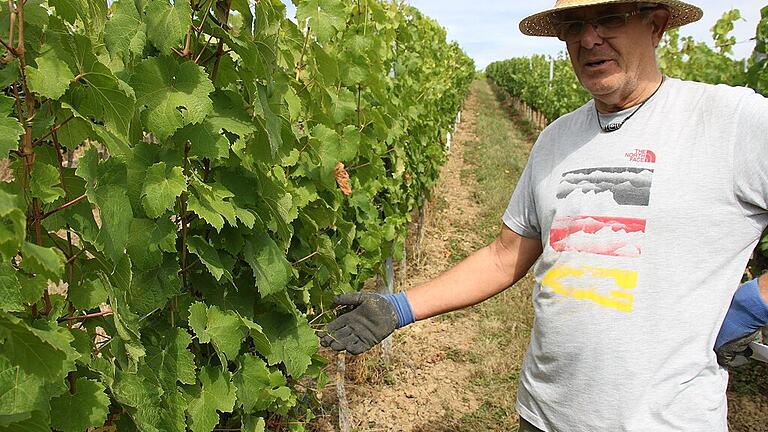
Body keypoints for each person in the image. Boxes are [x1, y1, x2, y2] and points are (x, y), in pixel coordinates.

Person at [319, 1, 768, 430]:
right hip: (543, 414)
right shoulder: (557, 138)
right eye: (574, 26)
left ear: (656, 25)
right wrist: (399, 307)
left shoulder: (728, 121)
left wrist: (752, 304)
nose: (589, 39)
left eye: (609, 19)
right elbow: (504, 254)